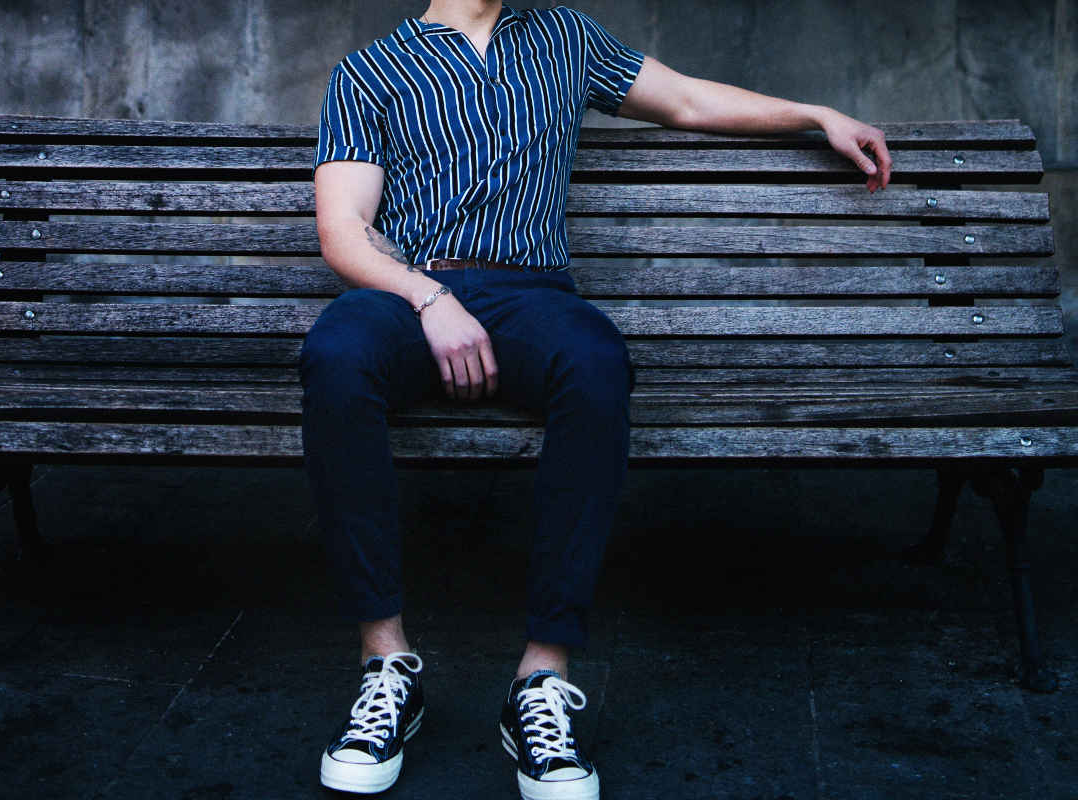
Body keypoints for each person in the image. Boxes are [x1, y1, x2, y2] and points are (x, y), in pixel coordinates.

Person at [302, 2, 892, 797]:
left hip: (531, 292)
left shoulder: (564, 38)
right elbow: (345, 232)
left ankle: (541, 680)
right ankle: (386, 668)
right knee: (335, 354)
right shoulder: (371, 71)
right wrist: (425, 298)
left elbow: (684, 99)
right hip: (410, 292)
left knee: (596, 360)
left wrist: (812, 113)